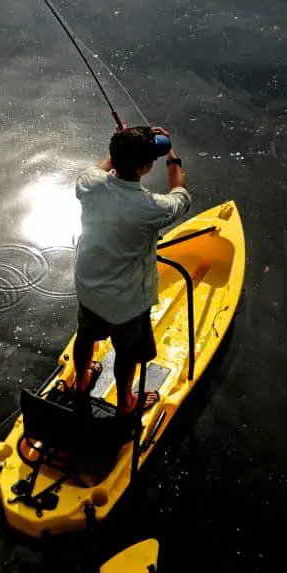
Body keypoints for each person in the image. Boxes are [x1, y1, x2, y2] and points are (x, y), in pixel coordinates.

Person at [73, 125, 191, 416]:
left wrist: (124, 143)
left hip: (88, 287)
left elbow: (103, 166)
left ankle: (81, 380)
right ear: (147, 167)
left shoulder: (89, 183)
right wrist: (173, 159)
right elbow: (181, 196)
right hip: (126, 302)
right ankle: (126, 402)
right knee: (126, 352)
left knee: (86, 334)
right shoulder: (151, 207)